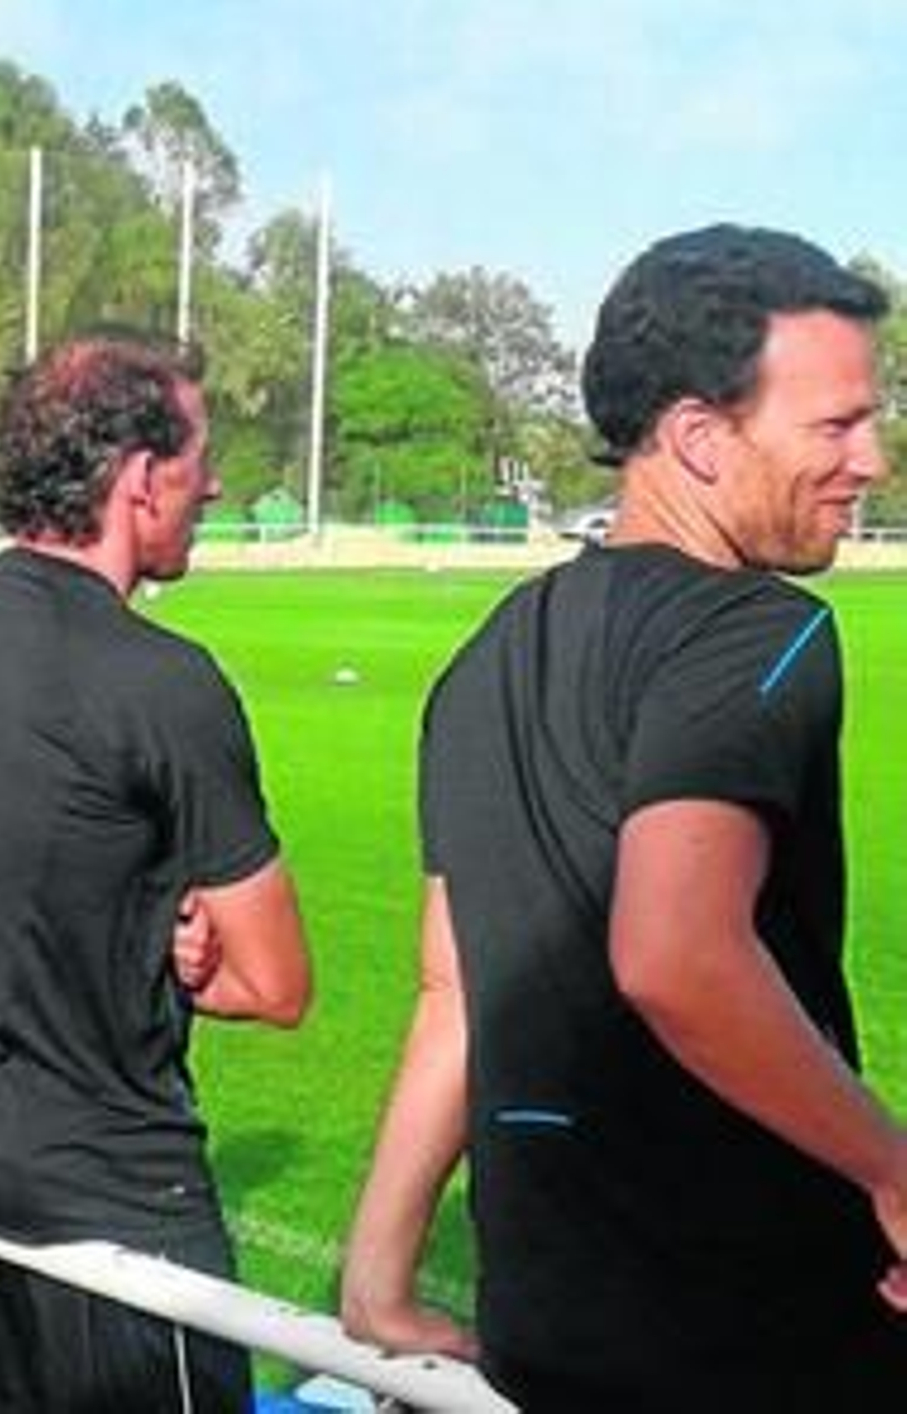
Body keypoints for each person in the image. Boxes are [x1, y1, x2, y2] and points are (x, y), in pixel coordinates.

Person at [339, 224, 907, 1412]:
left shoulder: (486, 656)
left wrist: (375, 1279)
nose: (875, 460)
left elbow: (456, 986)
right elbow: (674, 952)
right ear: (698, 437)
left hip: (551, 1320)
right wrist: (892, 1168)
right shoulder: (761, 631)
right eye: (837, 424)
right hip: (748, 1325)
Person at [0, 331, 313, 1412]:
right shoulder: (159, 680)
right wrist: (186, 954)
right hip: (101, 1176)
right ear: (135, 476)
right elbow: (277, 983)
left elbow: (22, 871)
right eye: (197, 457)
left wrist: (148, 930)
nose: (212, 483)